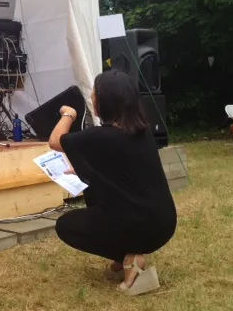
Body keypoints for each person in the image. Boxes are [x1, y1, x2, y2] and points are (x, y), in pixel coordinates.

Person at [48, 70, 176, 296]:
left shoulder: (100, 137)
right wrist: (82, 169)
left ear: (104, 102)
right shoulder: (142, 132)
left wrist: (68, 114)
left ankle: (129, 257)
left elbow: (55, 141)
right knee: (96, 194)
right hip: (164, 223)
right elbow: (118, 171)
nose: (93, 99)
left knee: (66, 226)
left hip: (140, 225)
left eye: (95, 95)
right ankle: (126, 254)